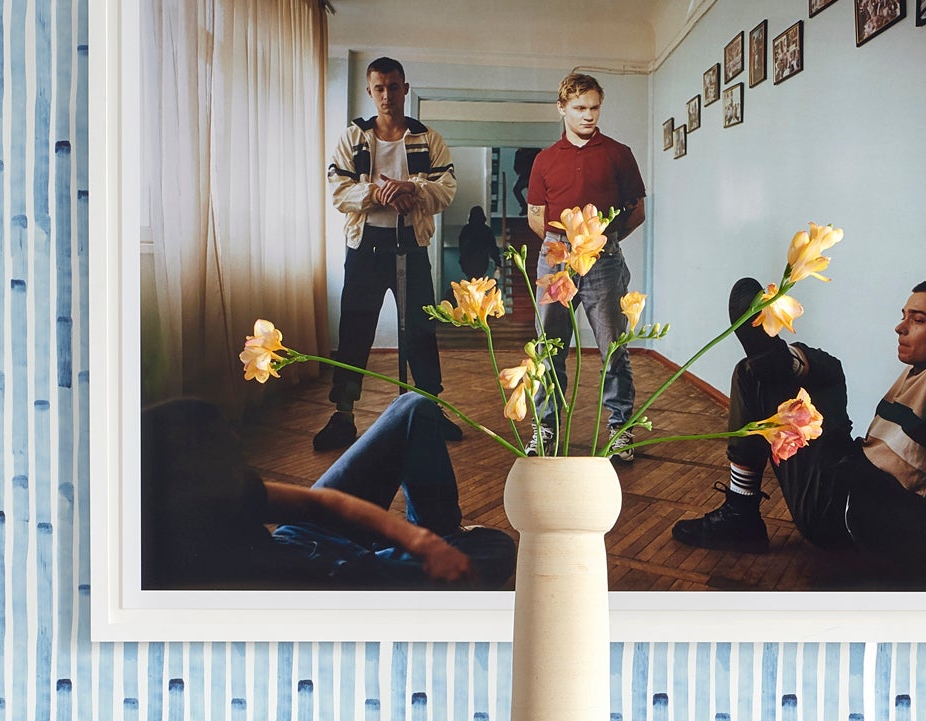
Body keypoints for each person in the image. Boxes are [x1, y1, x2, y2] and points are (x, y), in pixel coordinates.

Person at [672, 277, 926, 583]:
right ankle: (784, 361)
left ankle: (740, 512)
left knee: (755, 376)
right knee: (813, 371)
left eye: (918, 320)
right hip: (850, 474)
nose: (899, 327)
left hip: (845, 506)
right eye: (904, 316)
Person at [142, 392, 515, 591]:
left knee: (413, 407)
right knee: (498, 548)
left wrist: (420, 541)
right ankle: (434, 557)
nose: (238, 441)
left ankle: (438, 541)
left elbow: (316, 501)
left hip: (303, 539)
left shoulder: (200, 488)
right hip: (338, 580)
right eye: (223, 445)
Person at [317, 57, 458, 453]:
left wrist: (411, 190)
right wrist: (376, 193)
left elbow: (445, 189)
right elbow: (337, 192)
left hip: (411, 247)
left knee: (420, 329)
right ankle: (343, 414)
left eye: (393, 87)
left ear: (405, 89)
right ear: (369, 92)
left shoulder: (427, 138)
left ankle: (430, 409)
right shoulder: (353, 139)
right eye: (379, 88)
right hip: (365, 249)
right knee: (355, 329)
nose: (386, 95)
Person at [526, 71, 646, 457]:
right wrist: (562, 247)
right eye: (579, 108)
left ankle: (620, 430)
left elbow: (637, 211)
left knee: (614, 346)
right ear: (562, 108)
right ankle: (545, 429)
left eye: (594, 108)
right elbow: (535, 216)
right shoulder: (544, 160)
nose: (588, 116)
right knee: (548, 346)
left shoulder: (618, 154)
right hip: (556, 255)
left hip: (602, 255)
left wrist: (601, 242)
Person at [456, 204, 500, 282]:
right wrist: (498, 262)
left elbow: (462, 246)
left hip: (468, 261)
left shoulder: (466, 229)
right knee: (478, 281)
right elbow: (493, 248)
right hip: (481, 261)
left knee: (471, 280)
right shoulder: (486, 230)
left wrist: (462, 259)